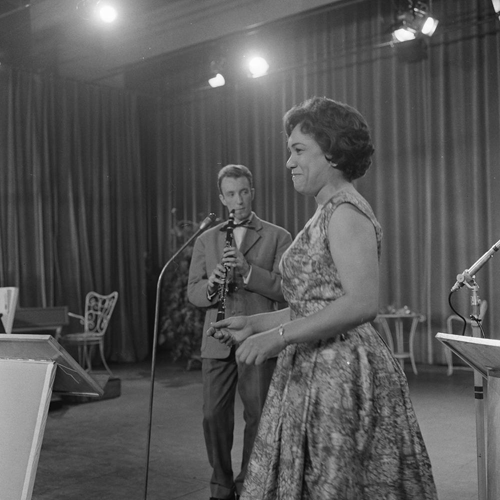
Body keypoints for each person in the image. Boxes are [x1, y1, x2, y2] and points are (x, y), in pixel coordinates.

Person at [208, 98, 438, 499]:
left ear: (331, 152)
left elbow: (361, 303)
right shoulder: (326, 210)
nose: (289, 162)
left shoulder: (346, 211)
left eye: (299, 150)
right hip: (314, 366)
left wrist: (278, 337)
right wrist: (254, 324)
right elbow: (314, 305)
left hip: (340, 373)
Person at [188, 164, 292, 500]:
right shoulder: (207, 239)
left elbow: (286, 290)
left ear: (252, 192)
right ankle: (221, 485)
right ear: (222, 198)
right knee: (212, 416)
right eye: (231, 194)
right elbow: (193, 291)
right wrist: (212, 284)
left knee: (258, 414)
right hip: (217, 339)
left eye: (244, 192)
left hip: (257, 339)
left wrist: (248, 271)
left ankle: (250, 485)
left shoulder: (278, 236)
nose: (239, 200)